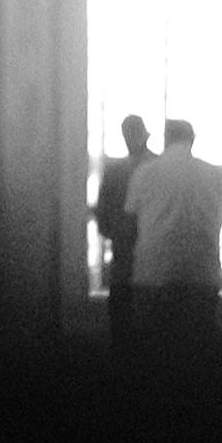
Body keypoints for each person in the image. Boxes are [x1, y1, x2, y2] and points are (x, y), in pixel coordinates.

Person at [122, 109, 222, 369]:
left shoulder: (145, 173)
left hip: (153, 271)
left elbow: (130, 220)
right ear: (192, 139)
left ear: (165, 140)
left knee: (153, 352)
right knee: (197, 352)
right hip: (201, 271)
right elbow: (220, 218)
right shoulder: (214, 174)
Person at [90, 104, 147, 342]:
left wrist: (115, 232)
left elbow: (102, 213)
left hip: (126, 250)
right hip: (148, 250)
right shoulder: (155, 167)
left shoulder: (115, 171)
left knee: (123, 319)